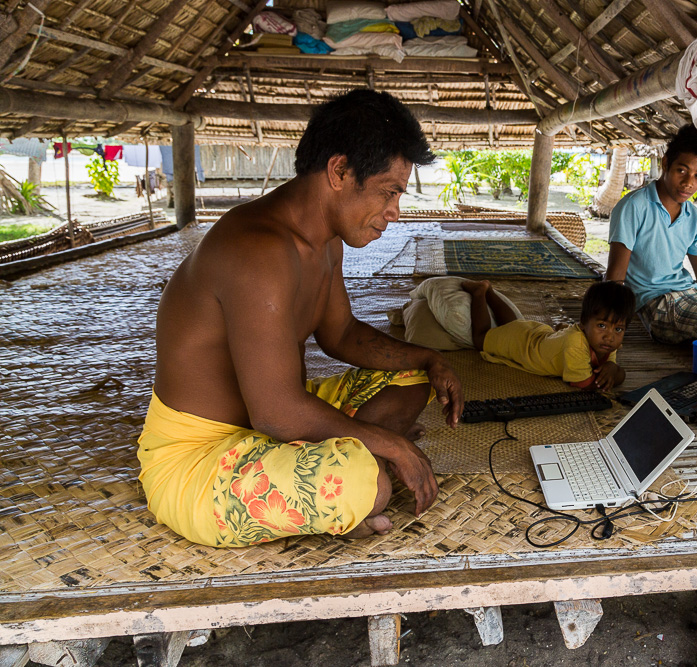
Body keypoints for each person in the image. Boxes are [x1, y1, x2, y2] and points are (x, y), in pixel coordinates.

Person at [138, 89, 463, 548]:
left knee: (413, 375)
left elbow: (341, 334)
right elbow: (275, 412)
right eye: (389, 192)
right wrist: (391, 443)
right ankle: (364, 477)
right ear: (339, 171)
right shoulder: (257, 250)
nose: (394, 212)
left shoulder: (325, 242)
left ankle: (350, 470)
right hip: (199, 461)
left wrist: (430, 359)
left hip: (270, 429)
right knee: (365, 483)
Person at [605, 124, 697, 344]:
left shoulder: (692, 216)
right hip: (655, 303)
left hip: (690, 295)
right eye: (682, 171)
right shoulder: (634, 206)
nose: (689, 183)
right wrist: (611, 328)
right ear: (665, 163)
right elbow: (616, 278)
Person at [463, 280, 635, 391]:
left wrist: (614, 369)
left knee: (513, 324)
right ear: (583, 322)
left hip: (536, 335)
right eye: (602, 326)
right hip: (523, 346)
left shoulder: (606, 343)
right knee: (480, 339)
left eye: (618, 329)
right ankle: (480, 293)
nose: (609, 337)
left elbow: (612, 371)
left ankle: (489, 292)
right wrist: (616, 372)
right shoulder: (575, 343)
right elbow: (588, 385)